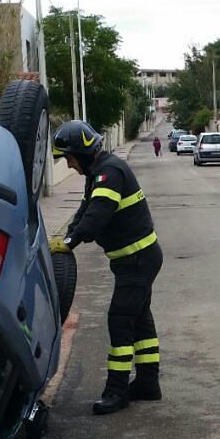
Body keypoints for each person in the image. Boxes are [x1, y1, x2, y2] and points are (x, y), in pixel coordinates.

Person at [52, 120, 163, 415]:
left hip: (137, 260)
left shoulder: (109, 173)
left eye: (69, 158)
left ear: (82, 153)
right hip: (135, 260)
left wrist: (71, 242)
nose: (68, 165)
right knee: (139, 319)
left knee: (120, 320)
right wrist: (66, 237)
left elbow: (98, 215)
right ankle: (148, 383)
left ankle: (117, 391)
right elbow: (84, 210)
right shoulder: (98, 174)